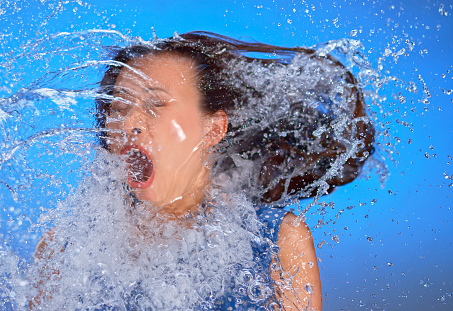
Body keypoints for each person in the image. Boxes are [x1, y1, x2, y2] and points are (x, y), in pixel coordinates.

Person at [32, 31, 374, 310]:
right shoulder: (64, 249)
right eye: (119, 106)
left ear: (213, 129)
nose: (130, 123)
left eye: (155, 106)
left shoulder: (278, 243)